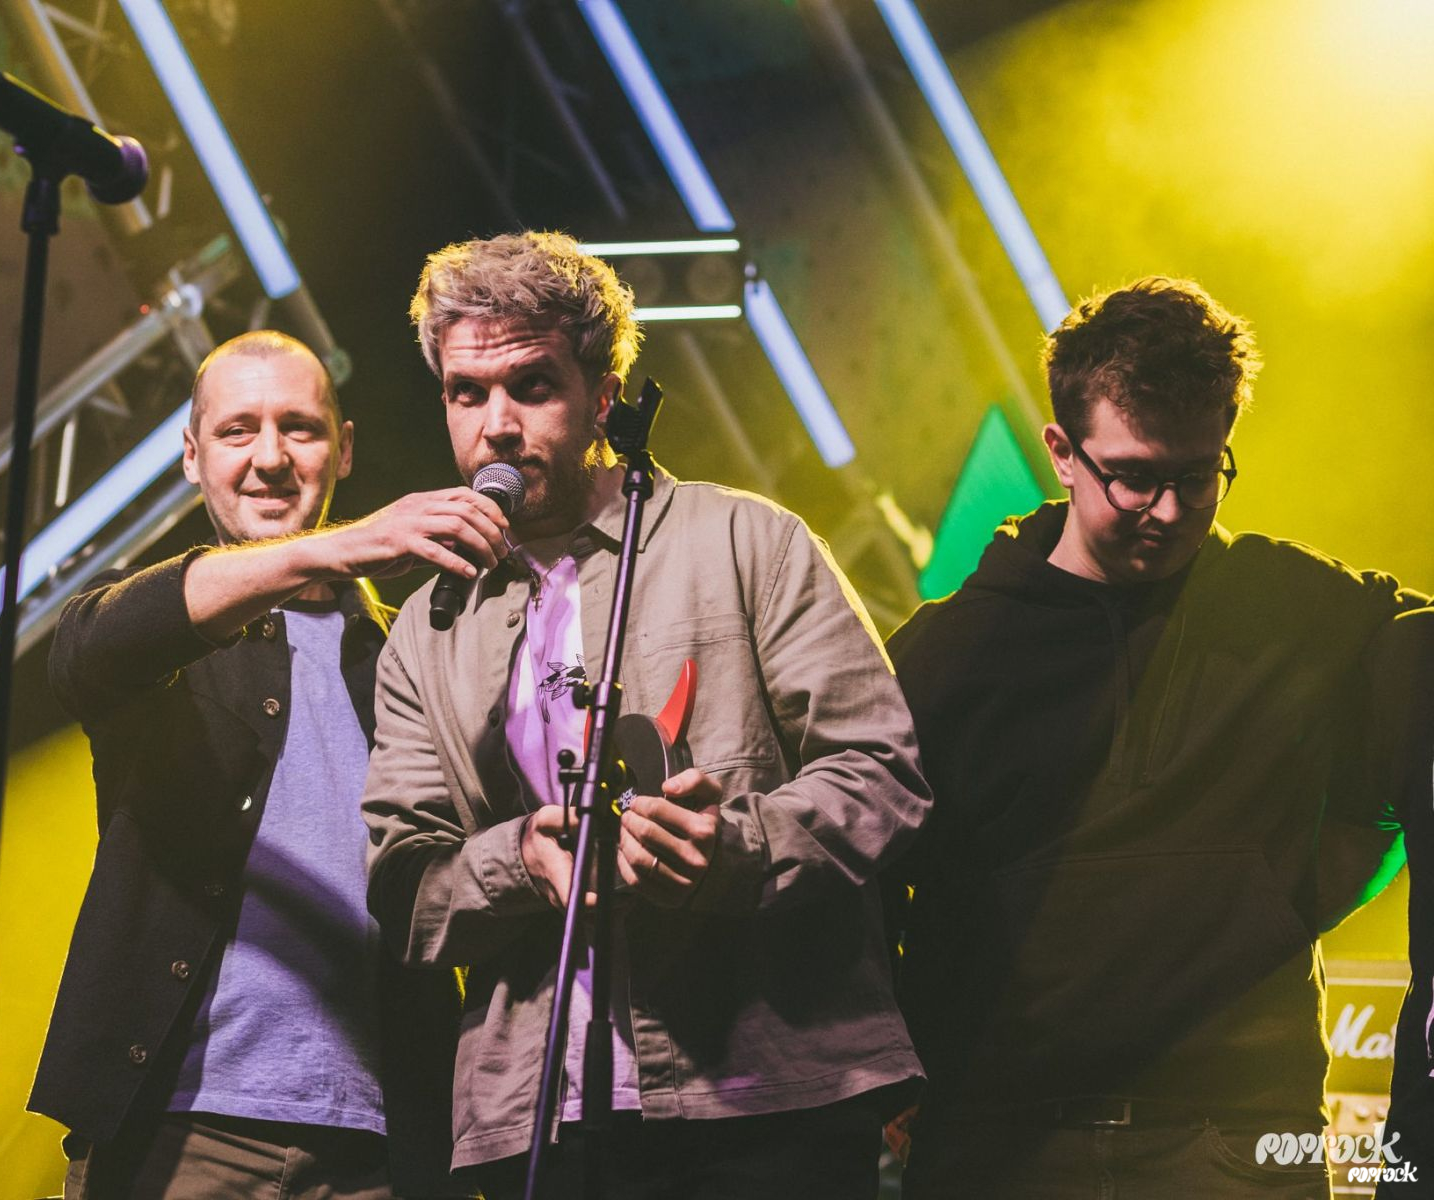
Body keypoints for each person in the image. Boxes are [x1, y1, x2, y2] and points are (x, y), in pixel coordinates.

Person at [360, 231, 932, 1198]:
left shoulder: (747, 539)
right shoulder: (426, 625)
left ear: (604, 396)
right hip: (542, 1115)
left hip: (768, 1094)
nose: (496, 425)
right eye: (466, 393)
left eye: (532, 386)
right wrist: (520, 860)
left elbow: (882, 775)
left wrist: (736, 845)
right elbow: (403, 885)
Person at [885, 276, 1432, 1197]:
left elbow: (1415, 691)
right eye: (1136, 477)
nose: (1171, 510)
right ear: (1062, 453)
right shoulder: (946, 654)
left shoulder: (1296, 604)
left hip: (1239, 1136)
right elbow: (866, 887)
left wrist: (1292, 897)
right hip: (998, 1141)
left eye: (1199, 475)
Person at [28, 330, 504, 1199]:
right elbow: (87, 650)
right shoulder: (159, 628)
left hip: (386, 1143)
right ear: (191, 455)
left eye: (300, 428)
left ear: (344, 449)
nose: (272, 457)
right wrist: (339, 547)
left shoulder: (410, 656)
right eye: (238, 430)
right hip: (180, 1130)